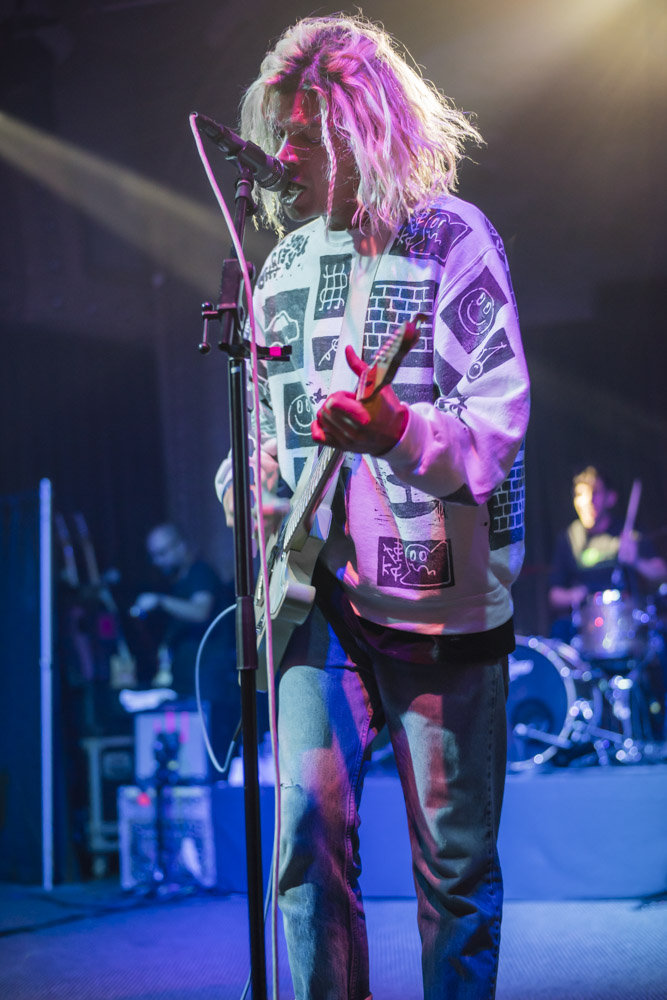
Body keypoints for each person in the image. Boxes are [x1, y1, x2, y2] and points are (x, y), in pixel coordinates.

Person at [215, 15, 529, 999]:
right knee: (304, 835)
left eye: (307, 132)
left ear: (365, 129)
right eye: (282, 134)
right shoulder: (286, 266)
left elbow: (495, 426)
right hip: (322, 599)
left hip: (444, 602)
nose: (287, 154)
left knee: (454, 867)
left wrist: (396, 428)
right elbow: (260, 442)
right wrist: (247, 485)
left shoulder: (453, 240)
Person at [549, 466, 667, 641]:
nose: (587, 501)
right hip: (585, 627)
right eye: (580, 495)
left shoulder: (629, 534)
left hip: (627, 623)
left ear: (610, 498)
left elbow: (661, 573)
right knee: (559, 631)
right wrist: (574, 595)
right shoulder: (568, 538)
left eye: (594, 493)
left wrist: (636, 561)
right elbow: (554, 595)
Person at [131, 523, 234, 699]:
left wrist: (160, 601)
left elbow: (201, 611)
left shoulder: (200, 572)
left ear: (181, 545)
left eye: (162, 553)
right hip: (186, 680)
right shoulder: (176, 584)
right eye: (154, 556)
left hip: (208, 679)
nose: (158, 561)